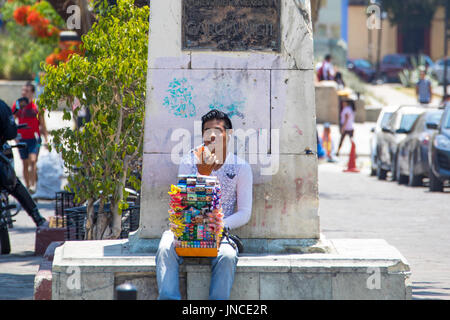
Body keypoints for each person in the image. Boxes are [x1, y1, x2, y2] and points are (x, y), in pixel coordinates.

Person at [156, 109, 253, 300]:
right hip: (187, 227)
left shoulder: (241, 167)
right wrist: (203, 175)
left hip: (219, 231)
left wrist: (217, 225)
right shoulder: (188, 161)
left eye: (218, 130)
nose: (212, 136)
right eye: (207, 131)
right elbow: (183, 205)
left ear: (228, 135)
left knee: (227, 256)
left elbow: (244, 212)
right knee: (165, 248)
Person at [0, 98, 47, 227]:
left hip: (31, 139)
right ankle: (37, 218)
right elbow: (11, 132)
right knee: (14, 185)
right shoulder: (2, 106)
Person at [11, 82, 49, 193]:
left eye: (26, 91)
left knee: (33, 161)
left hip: (34, 138)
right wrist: (14, 135)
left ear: (32, 93)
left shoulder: (37, 106)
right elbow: (12, 120)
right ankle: (27, 188)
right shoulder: (18, 105)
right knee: (25, 163)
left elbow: (42, 123)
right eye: (23, 90)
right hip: (22, 139)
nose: (24, 93)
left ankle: (33, 186)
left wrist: (46, 137)